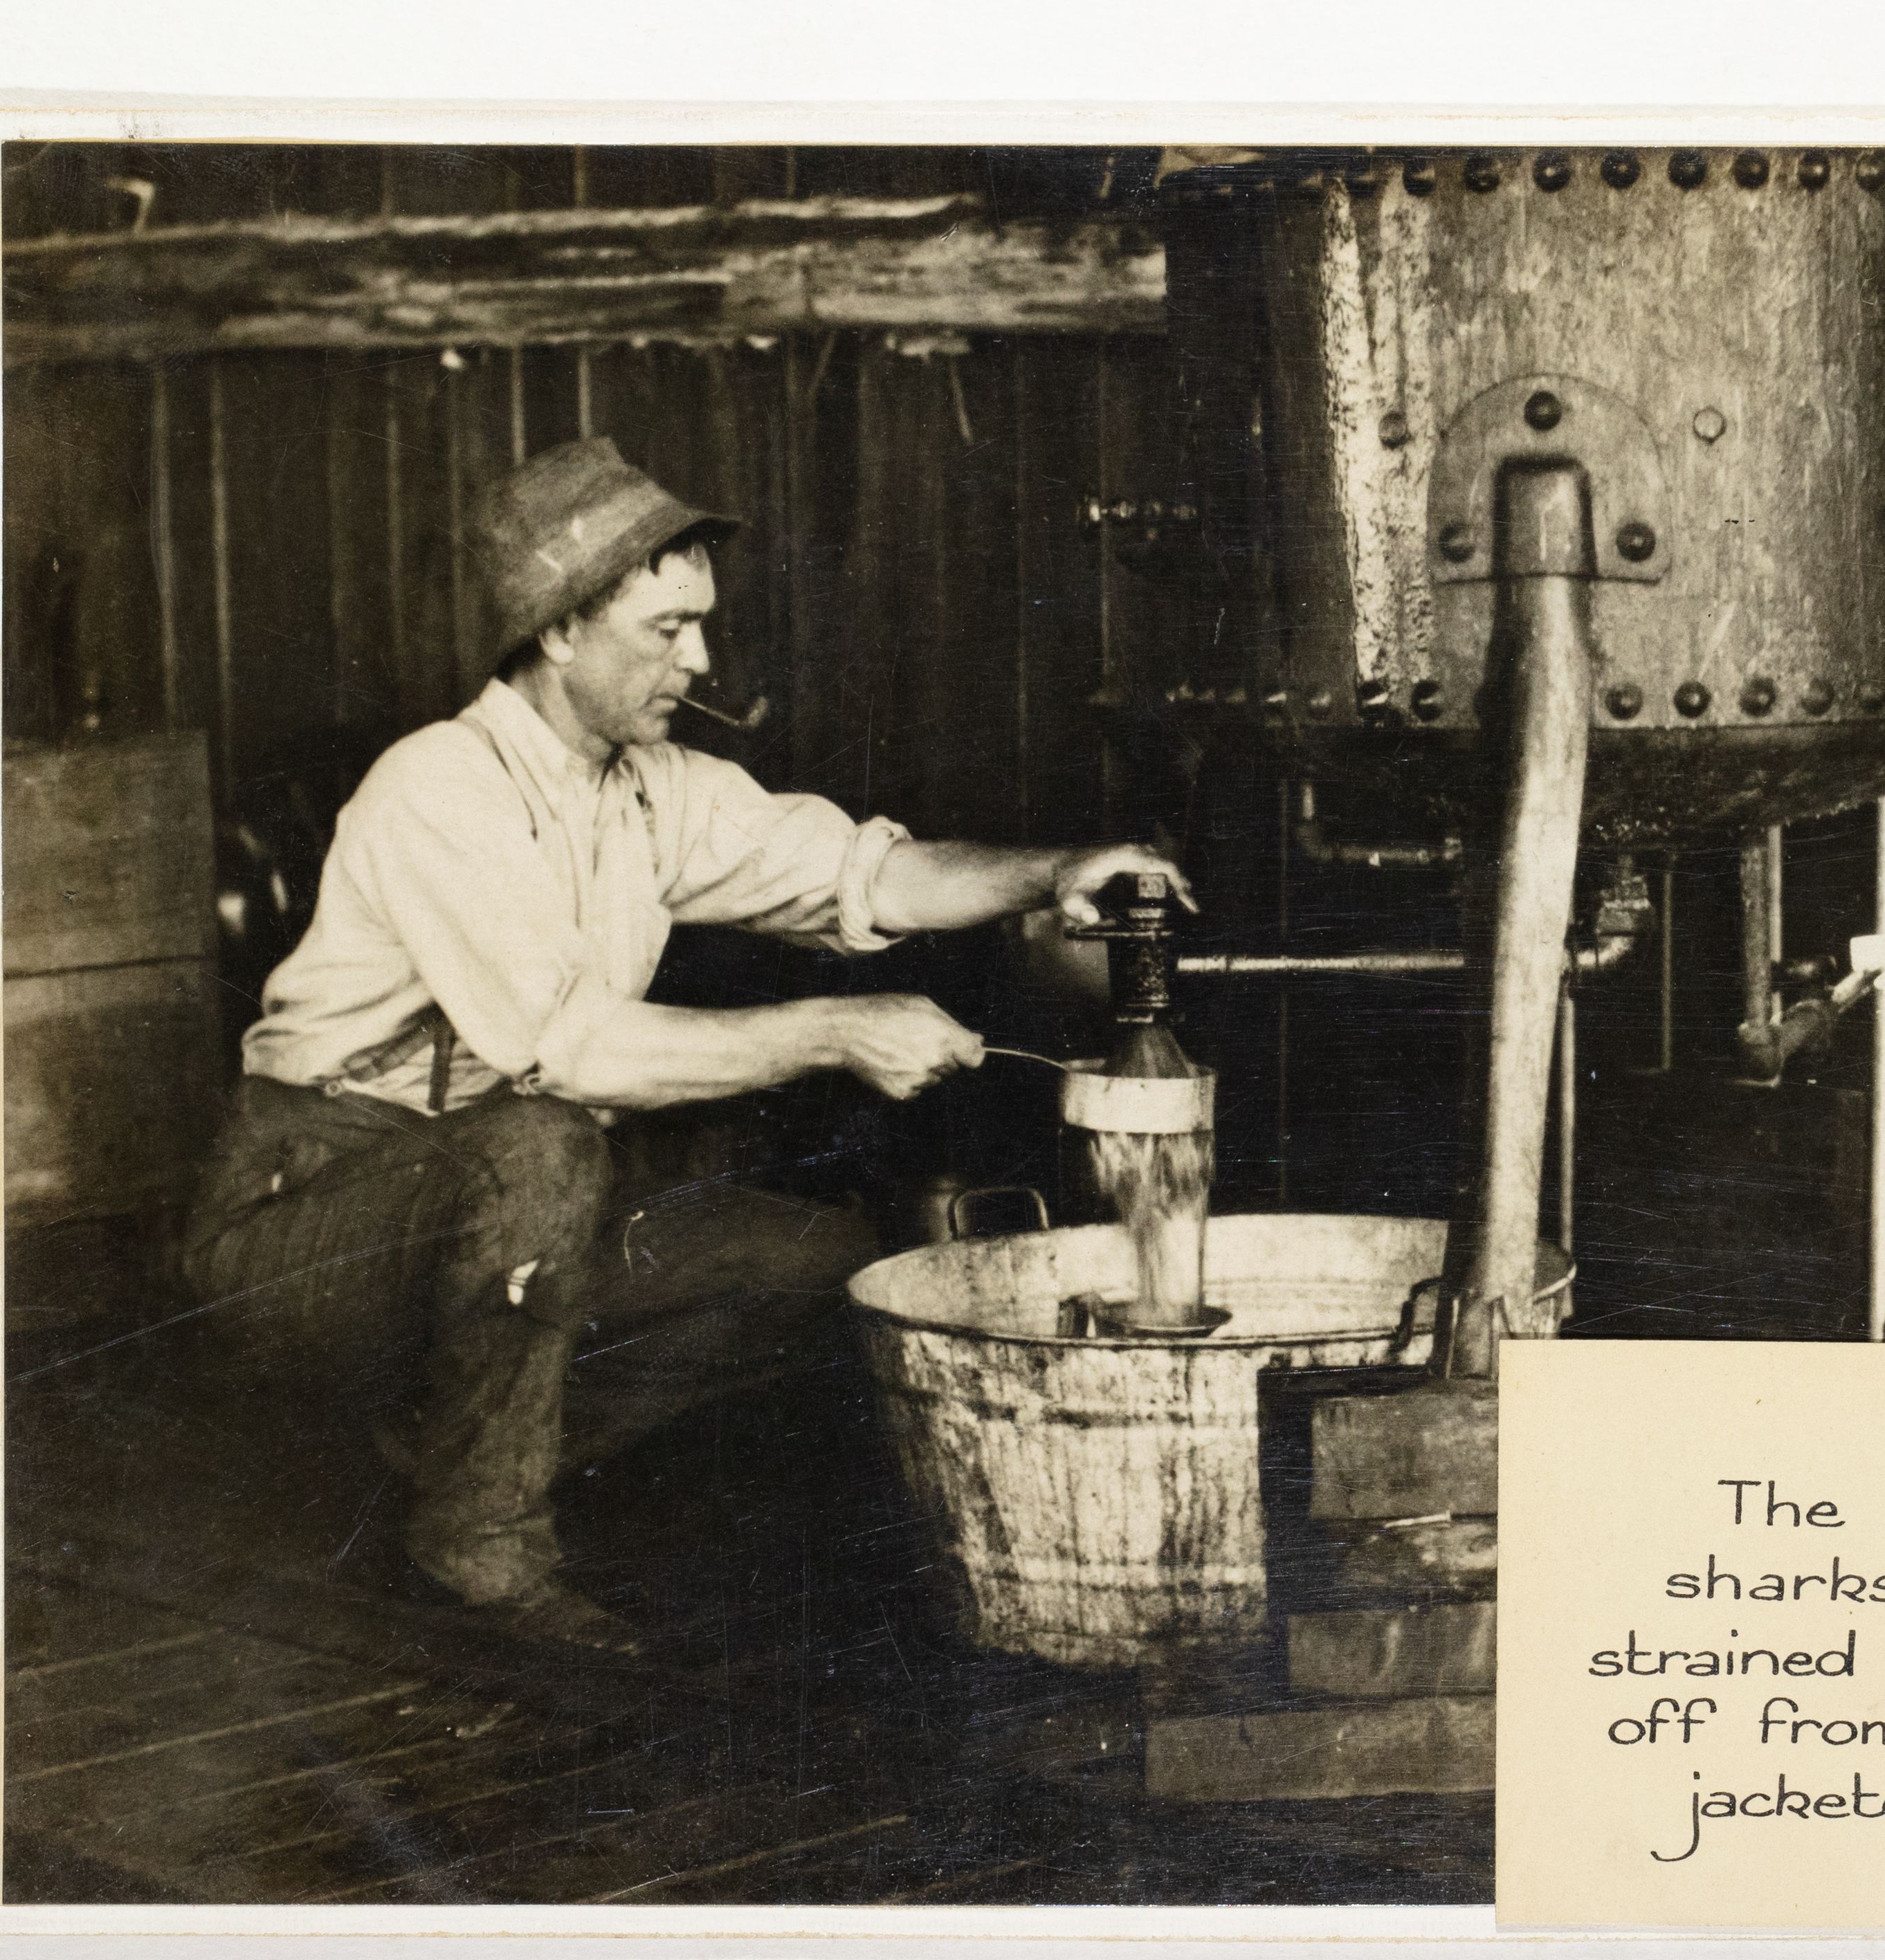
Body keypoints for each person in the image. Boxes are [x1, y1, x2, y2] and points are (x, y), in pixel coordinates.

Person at [180, 437, 1187, 1654]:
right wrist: (830, 1030)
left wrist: (1062, 868)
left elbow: (867, 872)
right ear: (556, 630)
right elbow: (571, 1052)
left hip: (485, 1208)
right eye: (666, 630)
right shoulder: (439, 787)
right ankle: (481, 1554)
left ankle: (450, 1447)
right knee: (546, 1148)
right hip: (308, 1217)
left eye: (701, 626)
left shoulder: (651, 789)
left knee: (810, 1262)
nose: (700, 660)